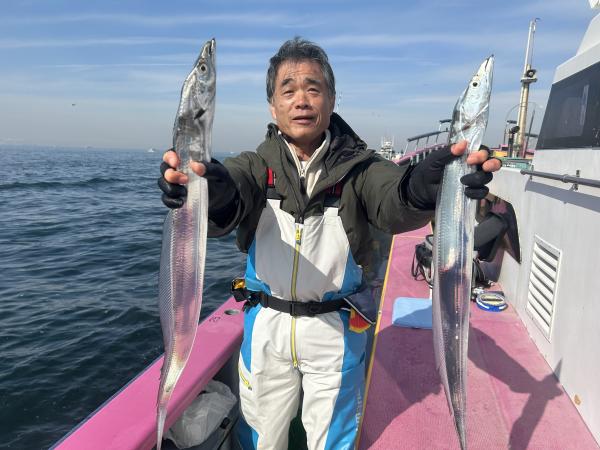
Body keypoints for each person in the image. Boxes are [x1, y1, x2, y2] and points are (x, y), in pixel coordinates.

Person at [158, 37, 501, 450]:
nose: (301, 100)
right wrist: (207, 192)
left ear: (332, 100)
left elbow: (393, 200)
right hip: (265, 327)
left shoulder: (363, 168)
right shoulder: (255, 166)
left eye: (313, 88)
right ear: (272, 107)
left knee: (332, 441)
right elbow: (232, 195)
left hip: (336, 330)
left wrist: (423, 188)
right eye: (288, 90)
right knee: (260, 439)